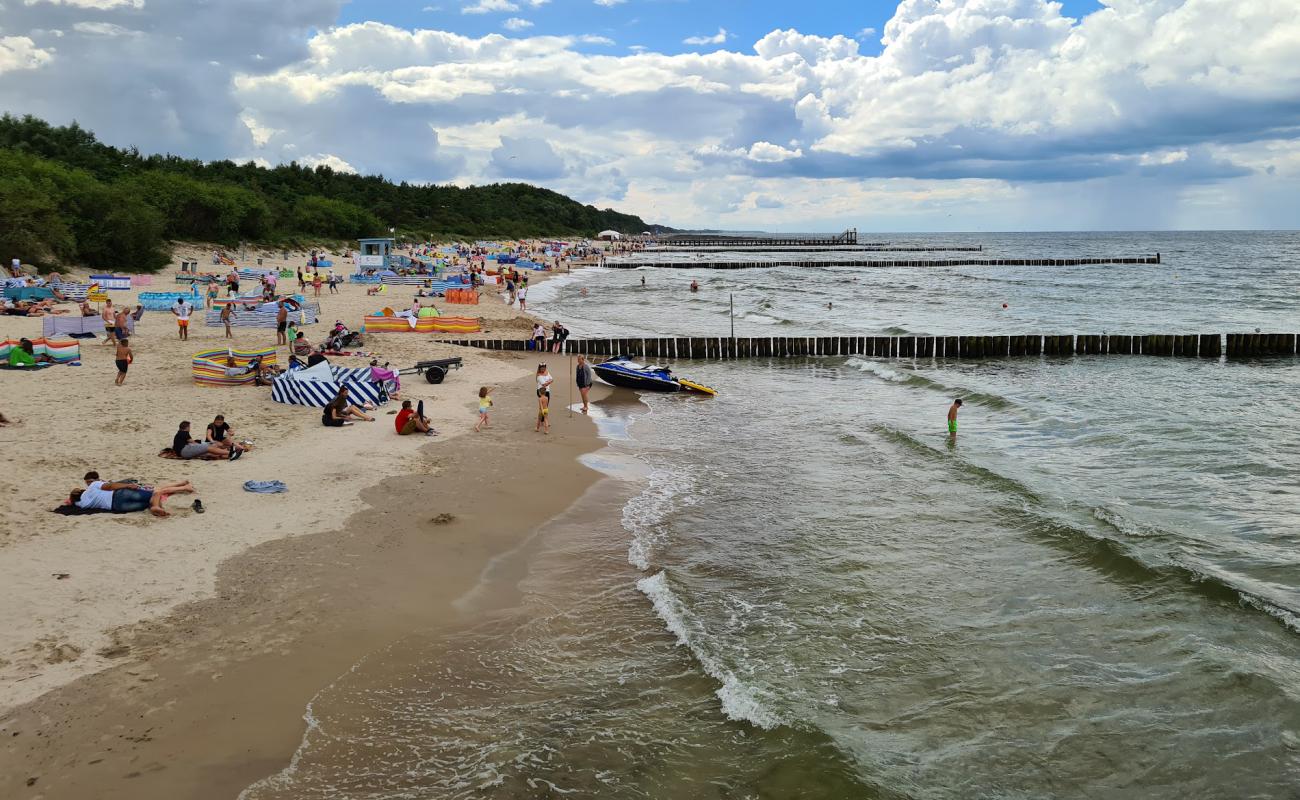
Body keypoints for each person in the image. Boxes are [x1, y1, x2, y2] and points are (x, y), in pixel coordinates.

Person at [71, 474, 197, 517]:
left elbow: (70, 501)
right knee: (157, 491)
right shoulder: (93, 486)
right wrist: (126, 485)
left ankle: (180, 484)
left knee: (153, 496)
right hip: (120, 494)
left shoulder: (81, 504)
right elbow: (109, 486)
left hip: (117, 507)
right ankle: (184, 487)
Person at [173, 420, 237, 460]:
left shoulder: (179, 433)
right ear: (187, 427)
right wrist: (202, 446)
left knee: (209, 452)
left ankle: (228, 455)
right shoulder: (184, 433)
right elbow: (193, 443)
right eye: (189, 427)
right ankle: (231, 452)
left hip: (182, 452)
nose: (190, 428)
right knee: (209, 448)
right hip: (184, 451)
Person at [535, 363, 553, 434]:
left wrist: (548, 382)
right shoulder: (538, 376)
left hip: (547, 391)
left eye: (544, 368)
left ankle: (543, 421)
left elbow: (552, 379)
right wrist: (549, 381)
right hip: (541, 391)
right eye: (541, 368)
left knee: (546, 405)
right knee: (542, 405)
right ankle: (541, 421)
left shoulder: (547, 372)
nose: (543, 369)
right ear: (539, 368)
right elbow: (543, 384)